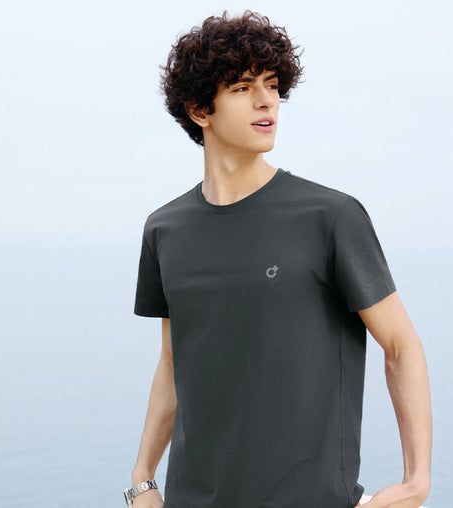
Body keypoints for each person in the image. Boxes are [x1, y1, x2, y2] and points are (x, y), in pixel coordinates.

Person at [124, 10, 432, 508]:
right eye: (243, 87)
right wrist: (142, 479)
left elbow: (400, 345)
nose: (267, 100)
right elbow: (173, 361)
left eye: (272, 85)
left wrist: (416, 483)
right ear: (199, 110)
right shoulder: (165, 230)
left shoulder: (330, 217)